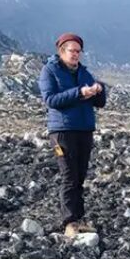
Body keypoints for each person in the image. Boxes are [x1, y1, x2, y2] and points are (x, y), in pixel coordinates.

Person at [38, 33, 108, 235]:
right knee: (69, 175)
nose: (76, 54)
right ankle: (69, 222)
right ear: (62, 51)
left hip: (84, 129)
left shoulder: (84, 73)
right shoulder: (50, 71)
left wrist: (99, 90)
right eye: (72, 51)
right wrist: (79, 92)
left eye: (79, 51)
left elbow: (99, 103)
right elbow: (50, 99)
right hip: (62, 130)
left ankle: (79, 218)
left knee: (80, 175)